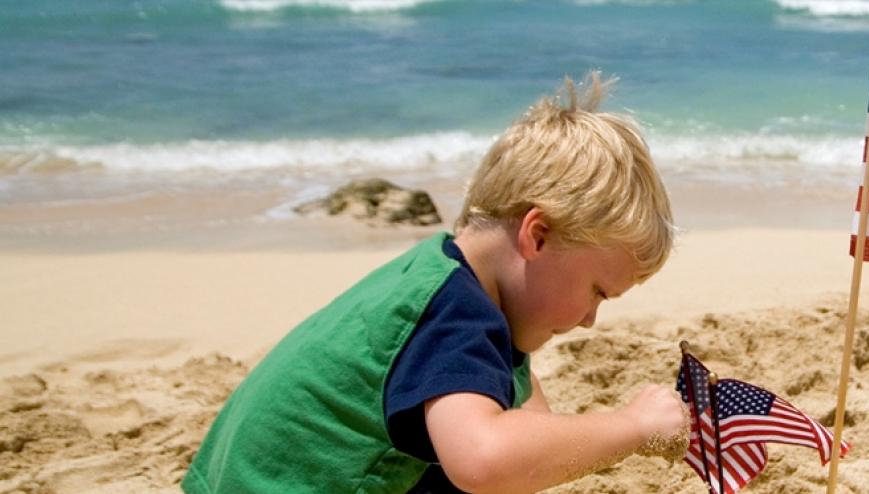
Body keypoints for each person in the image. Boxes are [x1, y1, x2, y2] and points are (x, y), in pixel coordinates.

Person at [183, 72, 689, 494]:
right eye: (597, 291)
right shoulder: (454, 313)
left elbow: (523, 407)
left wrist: (572, 444)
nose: (588, 319)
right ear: (538, 235)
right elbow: (484, 461)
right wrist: (631, 429)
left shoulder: (443, 272)